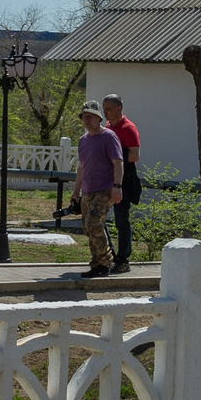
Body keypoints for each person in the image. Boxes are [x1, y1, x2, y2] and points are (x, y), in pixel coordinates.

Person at [73, 103, 124, 279]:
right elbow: (82, 167)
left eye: (90, 116)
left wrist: (117, 187)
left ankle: (106, 262)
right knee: (88, 227)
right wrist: (76, 192)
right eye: (84, 117)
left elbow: (118, 162)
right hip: (88, 190)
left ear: (99, 118)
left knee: (94, 222)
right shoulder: (83, 140)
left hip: (105, 189)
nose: (86, 119)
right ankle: (96, 264)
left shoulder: (108, 136)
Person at [101, 94, 142, 276]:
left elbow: (134, 155)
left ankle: (123, 258)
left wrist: (114, 158)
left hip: (125, 179)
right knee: (98, 217)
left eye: (108, 109)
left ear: (118, 109)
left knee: (121, 220)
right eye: (104, 108)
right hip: (107, 177)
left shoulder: (128, 128)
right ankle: (108, 255)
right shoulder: (108, 127)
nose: (105, 112)